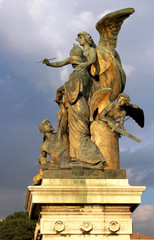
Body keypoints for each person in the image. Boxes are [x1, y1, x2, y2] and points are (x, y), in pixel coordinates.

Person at [43, 44, 106, 169]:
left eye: (71, 62)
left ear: (74, 63)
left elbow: (71, 87)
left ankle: (96, 159)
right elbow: (61, 64)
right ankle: (79, 159)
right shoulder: (81, 73)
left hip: (78, 105)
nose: (70, 64)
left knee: (80, 135)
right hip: (77, 105)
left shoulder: (79, 74)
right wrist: (49, 64)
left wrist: (59, 90)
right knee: (76, 135)